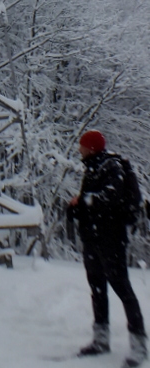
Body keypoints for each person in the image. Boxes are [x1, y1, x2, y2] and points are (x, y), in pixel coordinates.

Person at [67, 129, 147, 368]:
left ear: (91, 147)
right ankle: (101, 340)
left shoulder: (111, 167)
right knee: (97, 289)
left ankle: (139, 346)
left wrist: (83, 201)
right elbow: (91, 201)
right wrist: (76, 208)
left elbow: (110, 198)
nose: (79, 149)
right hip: (93, 238)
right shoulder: (92, 168)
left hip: (111, 239)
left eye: (82, 145)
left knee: (122, 289)